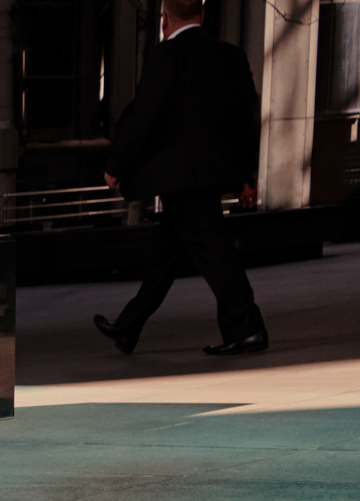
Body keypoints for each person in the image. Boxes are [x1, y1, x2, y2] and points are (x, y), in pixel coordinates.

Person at [94, 0, 268, 356]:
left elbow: (145, 117)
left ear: (165, 19)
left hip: (182, 178)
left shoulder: (167, 56)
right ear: (202, 15)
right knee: (166, 253)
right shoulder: (232, 57)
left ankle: (248, 328)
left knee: (214, 251)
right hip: (212, 173)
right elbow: (248, 121)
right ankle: (128, 327)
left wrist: (117, 165)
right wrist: (248, 175)